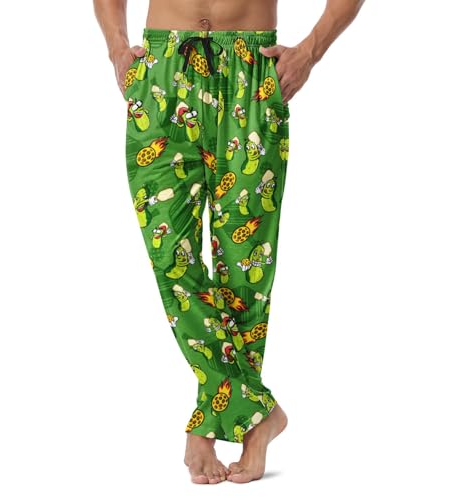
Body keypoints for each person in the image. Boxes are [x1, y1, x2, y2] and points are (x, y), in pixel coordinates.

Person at [93, 0, 365, 484]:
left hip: (251, 71)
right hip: (162, 71)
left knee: (244, 267)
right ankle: (255, 413)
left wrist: (310, 51)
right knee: (171, 258)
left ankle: (226, 423)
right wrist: (116, 45)